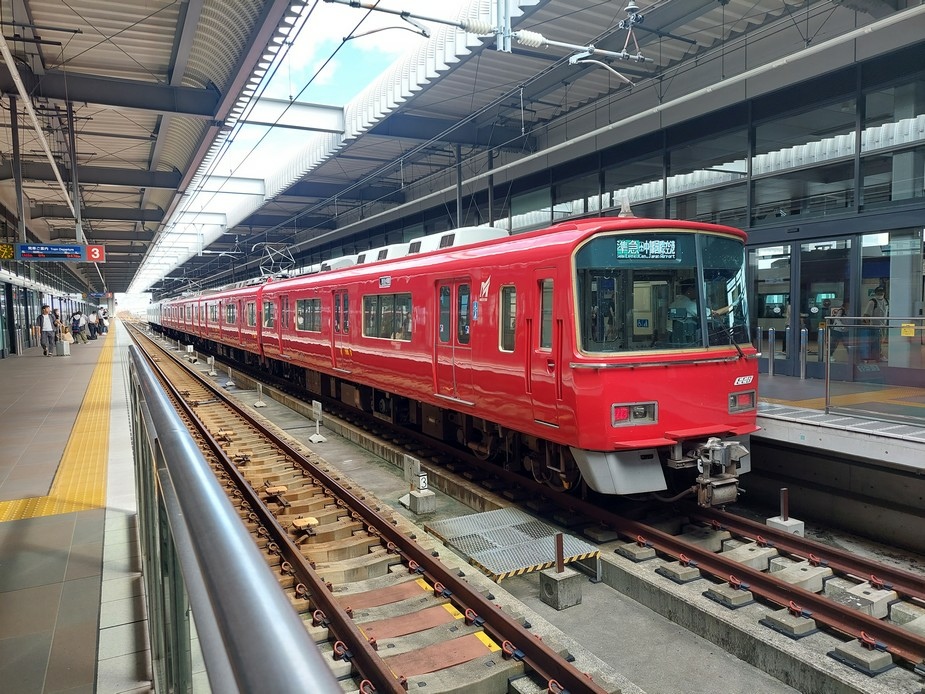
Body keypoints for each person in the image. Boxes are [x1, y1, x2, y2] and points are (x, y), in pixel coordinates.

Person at [862, 286, 889, 362]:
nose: (880, 293)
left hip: (883, 326)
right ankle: (874, 356)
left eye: (882, 292)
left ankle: (875, 356)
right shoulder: (872, 302)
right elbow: (866, 315)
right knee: (874, 342)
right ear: (875, 293)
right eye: (879, 292)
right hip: (873, 326)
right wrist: (867, 326)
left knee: (879, 342)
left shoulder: (886, 301)